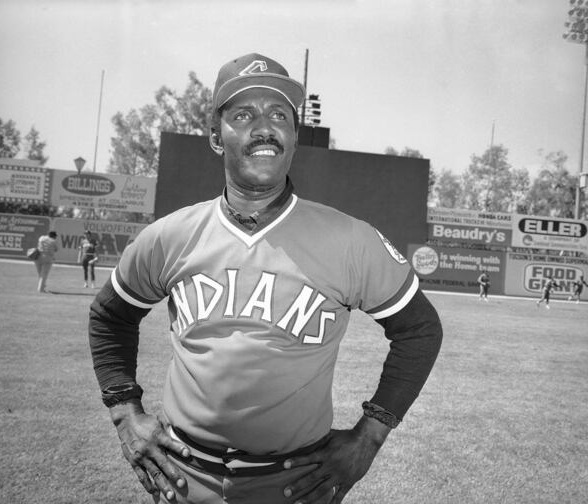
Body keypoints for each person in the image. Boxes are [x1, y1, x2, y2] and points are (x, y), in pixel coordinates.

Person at [89, 53, 443, 504]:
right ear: (217, 137)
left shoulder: (350, 239)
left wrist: (369, 437)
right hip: (181, 476)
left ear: (294, 138)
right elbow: (110, 316)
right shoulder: (169, 236)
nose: (264, 126)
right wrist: (125, 414)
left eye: (279, 114)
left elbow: (420, 329)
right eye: (243, 114)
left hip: (294, 483)